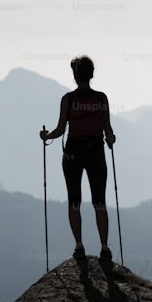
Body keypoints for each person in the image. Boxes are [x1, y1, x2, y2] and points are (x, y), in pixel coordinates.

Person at [40, 55, 116, 263]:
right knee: (99, 201)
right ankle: (104, 248)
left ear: (75, 75)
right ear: (92, 74)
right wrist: (110, 139)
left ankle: (79, 246)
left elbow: (59, 129)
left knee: (74, 200)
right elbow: (107, 130)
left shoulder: (68, 99)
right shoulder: (101, 99)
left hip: (73, 152)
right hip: (95, 151)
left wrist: (45, 137)